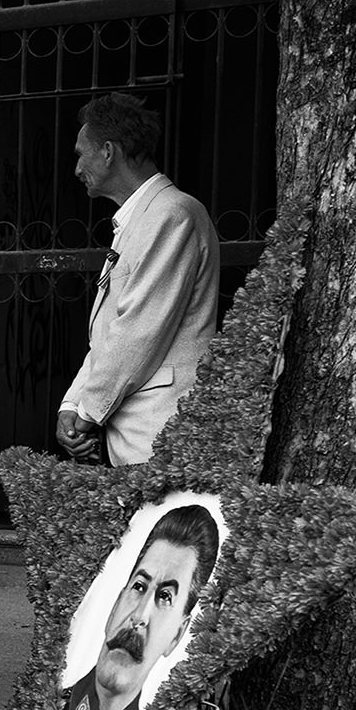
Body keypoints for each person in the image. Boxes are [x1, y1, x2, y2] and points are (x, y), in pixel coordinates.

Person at [55, 92, 218, 466]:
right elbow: (111, 334)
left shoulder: (171, 214)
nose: (77, 169)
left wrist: (86, 412)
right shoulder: (142, 219)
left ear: (108, 151)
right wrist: (73, 402)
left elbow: (138, 331)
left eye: (81, 154)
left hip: (160, 431)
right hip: (139, 433)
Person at [65, 502, 220, 710]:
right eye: (139, 587)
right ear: (116, 605)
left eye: (165, 597)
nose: (140, 616)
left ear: (176, 636)